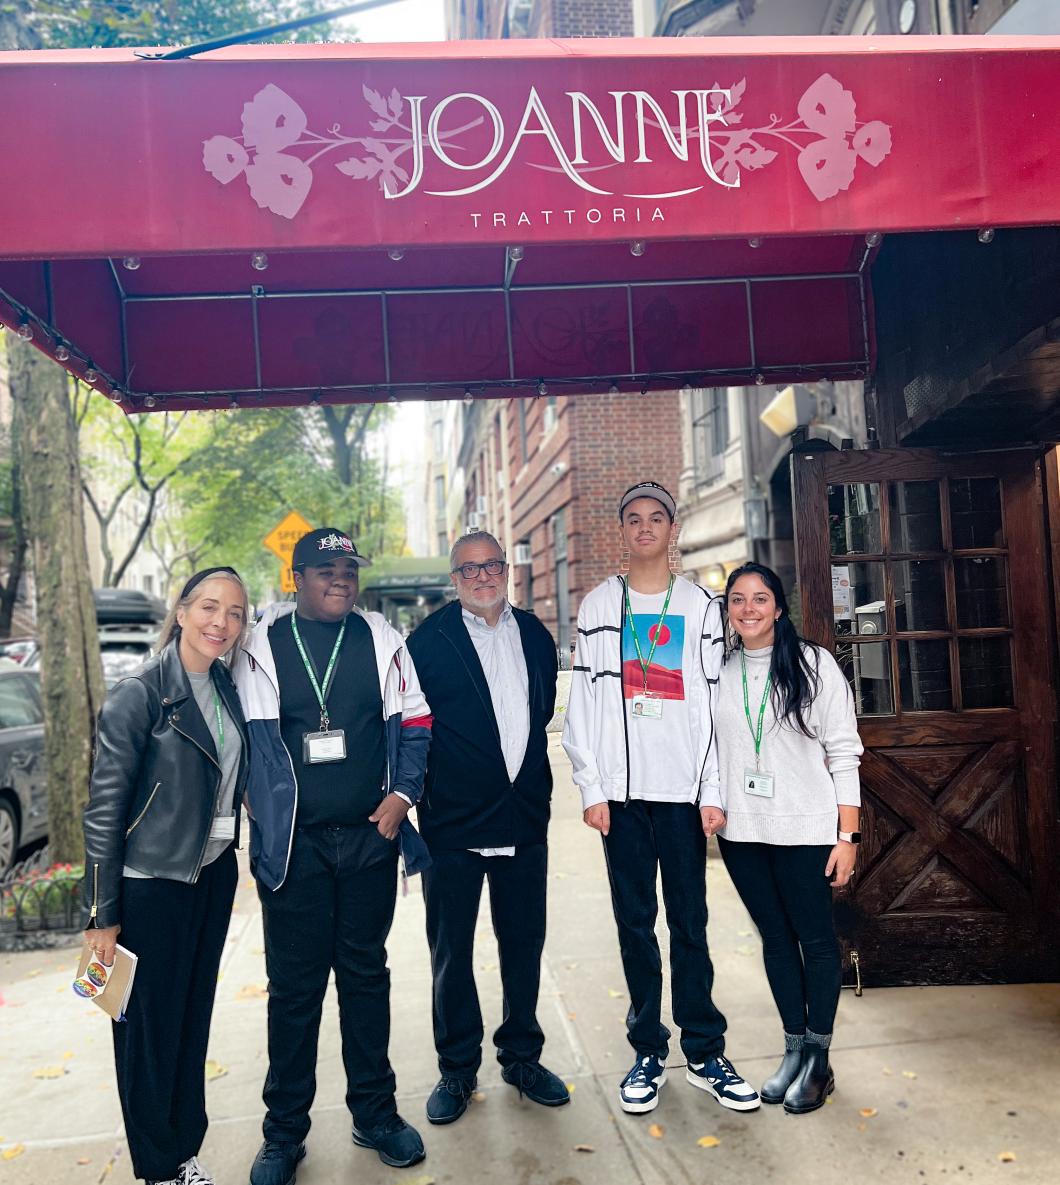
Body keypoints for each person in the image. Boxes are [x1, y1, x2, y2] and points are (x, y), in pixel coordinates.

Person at [236, 528, 432, 1183]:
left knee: (365, 977)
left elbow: (416, 721)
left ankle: (375, 1113)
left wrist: (402, 796)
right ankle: (284, 1133)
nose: (341, 579)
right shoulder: (260, 645)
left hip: (367, 840)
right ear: (297, 577)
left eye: (348, 568)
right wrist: (254, 806)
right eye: (326, 569)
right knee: (295, 992)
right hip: (295, 850)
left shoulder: (381, 637)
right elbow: (236, 736)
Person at [562, 482, 759, 1116]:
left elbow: (713, 709)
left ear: (672, 530)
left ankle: (704, 1050)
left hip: (680, 795)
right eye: (633, 519)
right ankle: (648, 1047)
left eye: (656, 519)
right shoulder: (597, 605)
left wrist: (711, 790)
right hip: (621, 798)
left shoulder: (702, 606)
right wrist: (592, 788)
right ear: (621, 530)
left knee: (691, 924)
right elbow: (583, 707)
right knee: (635, 925)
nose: (645, 528)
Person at [82, 566, 251, 1185]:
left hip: (210, 875)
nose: (221, 623)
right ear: (180, 612)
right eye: (209, 607)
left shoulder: (228, 686)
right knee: (147, 1033)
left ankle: (182, 1148)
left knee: (190, 1018)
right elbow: (103, 808)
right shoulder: (141, 693)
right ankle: (159, 1167)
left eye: (235, 613)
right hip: (151, 882)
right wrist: (101, 914)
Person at [406, 531, 568, 1126]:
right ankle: (457, 1067)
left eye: (492, 565)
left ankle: (522, 1056)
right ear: (454, 579)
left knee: (523, 943)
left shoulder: (534, 635)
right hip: (451, 825)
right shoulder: (426, 642)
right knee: (451, 952)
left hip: (523, 819)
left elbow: (542, 712)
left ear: (507, 570)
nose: (482, 577)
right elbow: (412, 728)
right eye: (468, 569)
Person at [715, 562, 863, 1114]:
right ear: (727, 611)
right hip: (743, 831)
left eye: (759, 598)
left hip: (805, 828)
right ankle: (794, 1048)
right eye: (737, 600)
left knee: (817, 941)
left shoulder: (814, 665)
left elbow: (844, 753)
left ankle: (819, 1062)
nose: (748, 609)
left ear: (779, 607)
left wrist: (847, 834)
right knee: (776, 942)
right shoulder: (723, 671)